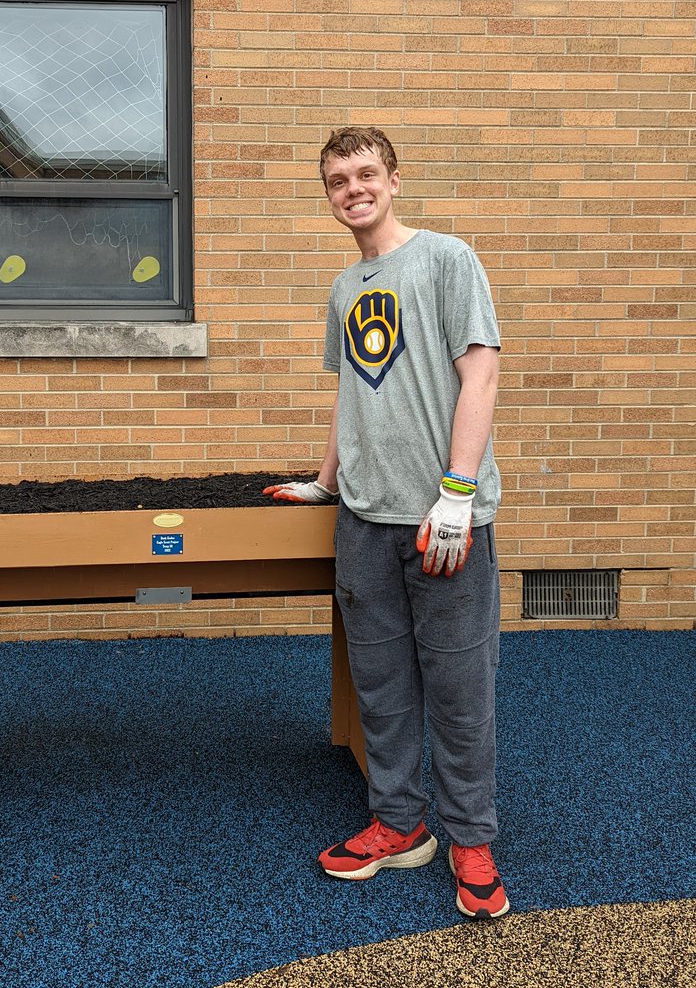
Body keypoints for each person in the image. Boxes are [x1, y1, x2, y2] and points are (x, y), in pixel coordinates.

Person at [264, 125, 508, 920]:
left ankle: (471, 838)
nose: (352, 189)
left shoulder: (446, 258)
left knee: (460, 689)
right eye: (337, 180)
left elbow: (481, 373)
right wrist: (323, 483)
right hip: (367, 522)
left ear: (395, 180)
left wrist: (458, 492)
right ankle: (400, 826)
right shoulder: (344, 288)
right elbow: (353, 395)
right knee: (382, 687)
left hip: (443, 522)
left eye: (365, 174)